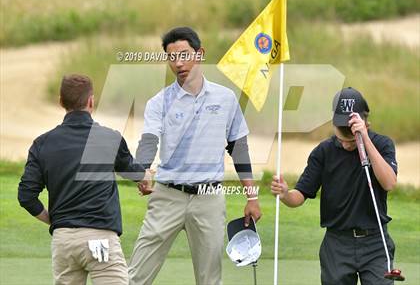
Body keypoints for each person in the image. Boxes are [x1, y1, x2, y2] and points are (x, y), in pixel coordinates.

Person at [128, 27, 261, 285]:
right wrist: (142, 170)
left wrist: (252, 197)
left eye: (185, 55)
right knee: (136, 275)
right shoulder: (159, 102)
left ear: (200, 54)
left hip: (209, 200)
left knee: (209, 279)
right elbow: (149, 141)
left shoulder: (225, 99)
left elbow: (239, 149)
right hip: (167, 196)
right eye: (171, 57)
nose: (178, 63)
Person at [18, 74, 148, 285]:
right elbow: (133, 172)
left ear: (61, 101)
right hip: (100, 240)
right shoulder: (109, 138)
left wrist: (55, 221)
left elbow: (26, 196)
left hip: (63, 241)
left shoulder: (42, 143)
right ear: (91, 101)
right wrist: (146, 179)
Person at [271, 87, 398, 285]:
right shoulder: (323, 152)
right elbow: (299, 196)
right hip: (337, 243)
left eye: (351, 137)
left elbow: (389, 183)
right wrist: (286, 193)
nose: (347, 143)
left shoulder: (381, 145)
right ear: (333, 124)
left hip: (375, 241)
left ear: (366, 123)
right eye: (342, 135)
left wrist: (364, 139)